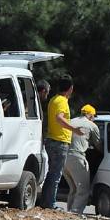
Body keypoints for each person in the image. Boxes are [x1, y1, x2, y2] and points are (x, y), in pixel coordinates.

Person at [40, 74, 83, 209]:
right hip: (59, 142)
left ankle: (45, 202)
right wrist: (74, 129)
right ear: (70, 88)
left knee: (51, 174)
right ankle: (51, 204)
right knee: (56, 175)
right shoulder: (62, 101)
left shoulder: (53, 99)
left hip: (51, 140)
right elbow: (59, 118)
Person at [63, 104, 101, 214]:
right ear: (90, 115)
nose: (93, 118)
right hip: (77, 158)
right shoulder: (92, 125)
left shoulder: (71, 121)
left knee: (74, 189)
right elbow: (98, 145)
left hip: (64, 159)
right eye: (93, 116)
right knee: (83, 190)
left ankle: (69, 212)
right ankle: (75, 214)